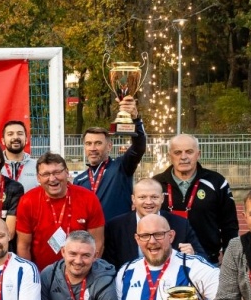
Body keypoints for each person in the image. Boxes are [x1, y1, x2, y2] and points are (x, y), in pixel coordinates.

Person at [152, 133, 238, 263]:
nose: (183, 157)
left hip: (208, 261)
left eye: (189, 152)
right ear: (170, 156)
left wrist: (230, 259)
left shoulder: (217, 182)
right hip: (165, 261)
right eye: (177, 152)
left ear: (198, 154)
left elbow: (229, 224)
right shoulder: (156, 183)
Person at [14, 152, 105, 268]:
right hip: (42, 274)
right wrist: (31, 274)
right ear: (38, 178)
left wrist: (88, 272)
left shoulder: (88, 199)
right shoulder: (27, 201)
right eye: (46, 174)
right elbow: (23, 246)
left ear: (67, 172)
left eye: (57, 172)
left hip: (81, 271)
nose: (52, 179)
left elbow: (97, 243)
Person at [73, 98, 147, 220]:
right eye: (88, 143)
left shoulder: (121, 167)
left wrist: (135, 119)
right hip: (91, 232)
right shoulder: (79, 180)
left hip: (119, 231)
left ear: (109, 146)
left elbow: (139, 147)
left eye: (98, 143)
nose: (93, 148)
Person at [102, 178, 200, 268]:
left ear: (162, 198)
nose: (149, 202)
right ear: (133, 199)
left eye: (154, 197)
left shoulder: (181, 225)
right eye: (142, 197)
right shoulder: (115, 227)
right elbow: (108, 266)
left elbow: (202, 257)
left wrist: (193, 255)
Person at [0, 119, 38, 190]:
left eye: (20, 134)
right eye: (10, 134)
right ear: (3, 141)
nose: (15, 137)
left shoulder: (38, 166)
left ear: (26, 139)